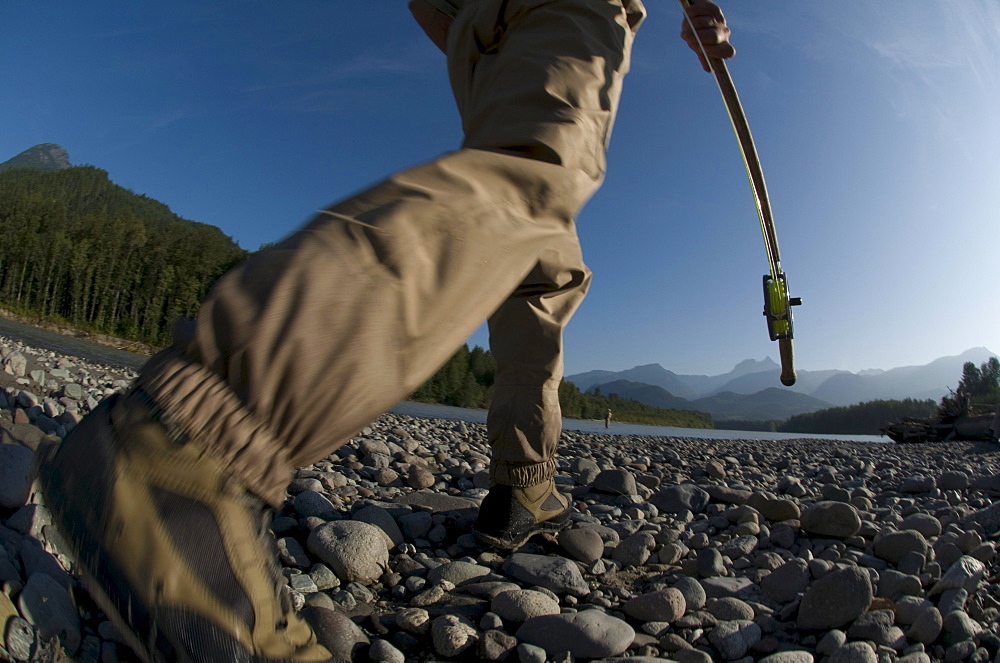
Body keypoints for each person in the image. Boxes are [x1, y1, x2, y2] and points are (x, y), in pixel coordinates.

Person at [37, 1, 734, 660]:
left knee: (537, 249)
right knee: (538, 180)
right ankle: (190, 443)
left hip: (474, 28)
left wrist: (476, 30)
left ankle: (525, 478)